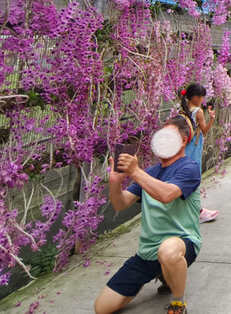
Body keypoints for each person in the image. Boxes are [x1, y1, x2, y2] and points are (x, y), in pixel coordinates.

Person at [93, 115, 201, 314]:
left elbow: (166, 195)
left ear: (184, 141)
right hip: (147, 253)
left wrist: (134, 172)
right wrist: (115, 182)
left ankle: (178, 303)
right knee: (101, 308)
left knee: (167, 251)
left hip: (182, 243)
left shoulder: (190, 168)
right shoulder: (150, 172)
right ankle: (161, 273)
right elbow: (120, 203)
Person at [179, 84, 219, 224]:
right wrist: (212, 118)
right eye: (202, 97)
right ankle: (198, 211)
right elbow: (205, 131)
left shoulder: (182, 110)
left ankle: (186, 210)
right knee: (194, 177)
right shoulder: (198, 112)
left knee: (184, 177)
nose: (203, 100)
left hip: (184, 147)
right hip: (194, 147)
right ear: (195, 98)